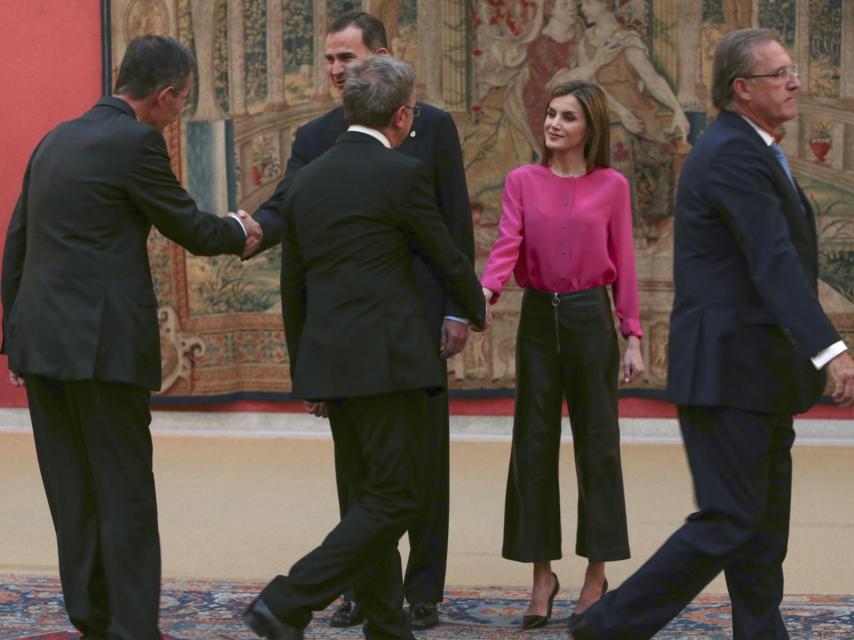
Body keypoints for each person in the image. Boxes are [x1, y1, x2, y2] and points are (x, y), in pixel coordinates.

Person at [568, 28, 854, 640]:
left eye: (792, 70)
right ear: (742, 89)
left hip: (757, 371)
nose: (795, 81)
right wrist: (830, 346)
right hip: (728, 372)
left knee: (761, 528)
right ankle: (608, 627)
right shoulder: (729, 152)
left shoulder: (751, 147)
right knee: (729, 521)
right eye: (780, 73)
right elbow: (772, 257)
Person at [0, 35, 262, 639]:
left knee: (71, 492)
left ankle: (92, 617)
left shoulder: (54, 139)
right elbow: (189, 226)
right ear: (164, 96)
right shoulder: (136, 142)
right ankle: (133, 629)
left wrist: (15, 334)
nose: (180, 113)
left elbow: (18, 241)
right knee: (124, 493)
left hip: (41, 346)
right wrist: (241, 229)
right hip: (104, 350)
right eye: (184, 101)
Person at [242, 55, 486, 640]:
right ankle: (288, 599)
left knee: (365, 501)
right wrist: (474, 306)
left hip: (332, 362)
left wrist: (308, 372)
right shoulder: (400, 175)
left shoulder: (304, 182)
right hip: (390, 365)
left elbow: (293, 286)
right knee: (400, 497)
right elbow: (443, 251)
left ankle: (385, 625)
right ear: (403, 116)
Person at [480, 81, 644, 630]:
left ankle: (596, 574)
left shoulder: (613, 186)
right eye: (549, 114)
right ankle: (542, 576)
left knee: (598, 446)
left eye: (567, 117)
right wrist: (486, 290)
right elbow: (507, 242)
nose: (553, 124)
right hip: (537, 320)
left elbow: (624, 259)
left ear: (588, 128)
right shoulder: (521, 181)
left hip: (590, 318)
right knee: (533, 444)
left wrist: (633, 334)